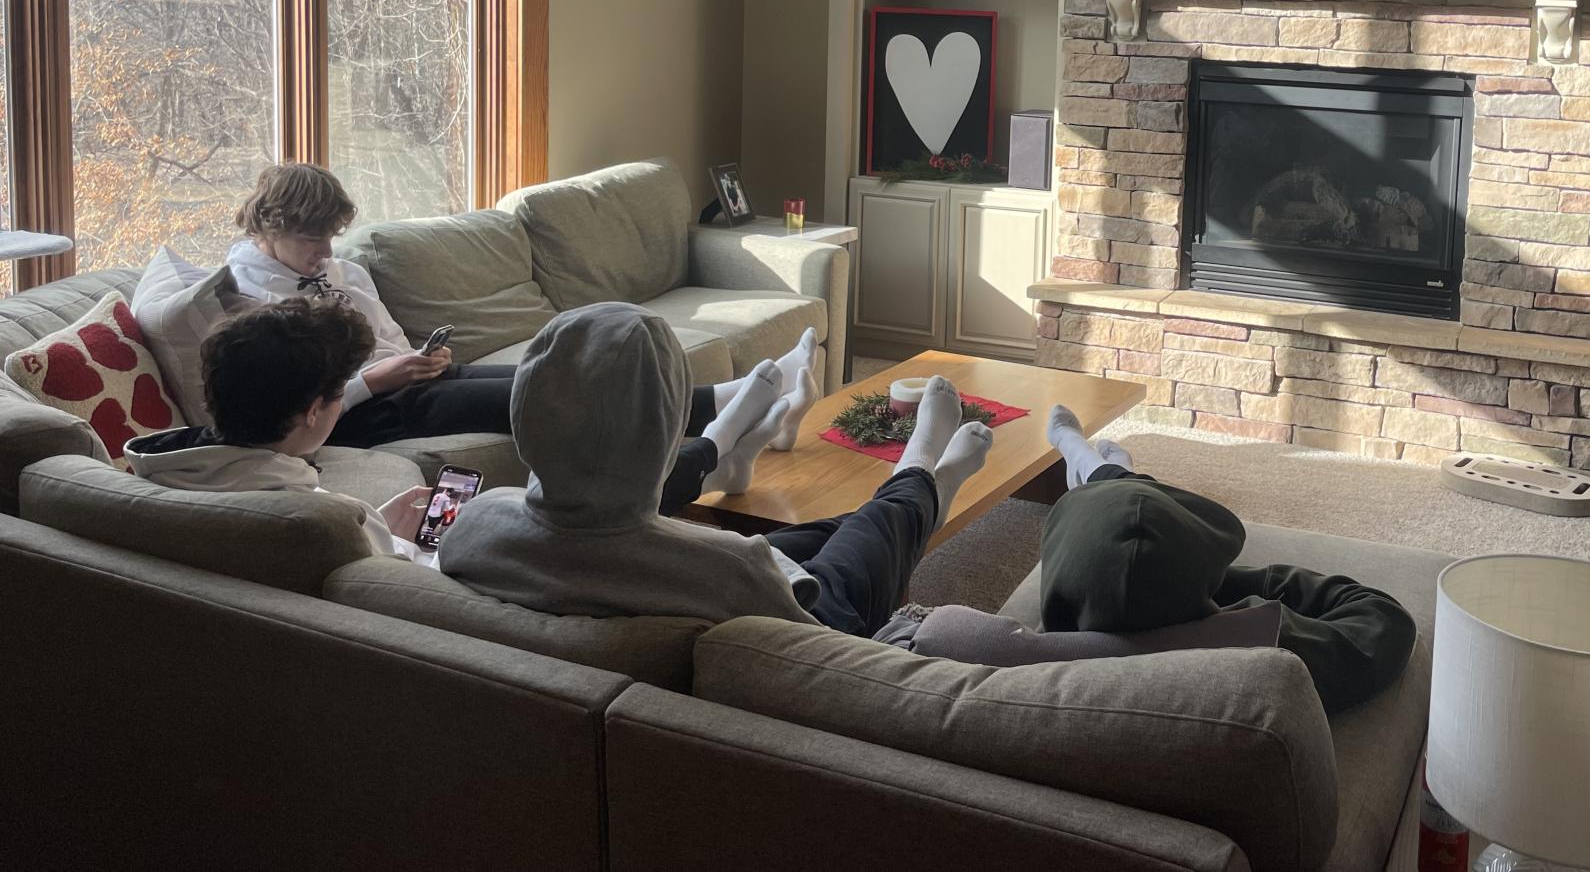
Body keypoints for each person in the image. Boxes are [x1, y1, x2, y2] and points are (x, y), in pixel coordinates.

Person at [223, 162, 813, 509]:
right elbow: (300, 402)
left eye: (331, 238)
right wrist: (383, 377)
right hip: (360, 412)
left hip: (408, 382)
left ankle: (724, 407)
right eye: (312, 242)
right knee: (555, 399)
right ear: (269, 228)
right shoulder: (251, 300)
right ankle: (722, 429)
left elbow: (388, 335)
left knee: (552, 375)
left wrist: (421, 359)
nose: (326, 253)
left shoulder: (342, 270)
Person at [440, 302, 994, 638]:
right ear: (666, 439)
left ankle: (898, 501)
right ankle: (921, 473)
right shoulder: (733, 571)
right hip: (822, 612)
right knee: (858, 554)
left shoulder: (475, 523)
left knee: (831, 530)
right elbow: (829, 638)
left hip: (627, 563)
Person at [1032, 406, 1416, 723]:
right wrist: (1223, 585)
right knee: (1139, 517)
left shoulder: (1029, 661)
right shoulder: (1256, 648)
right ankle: (1109, 474)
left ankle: (1095, 470)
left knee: (1119, 524)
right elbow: (1386, 620)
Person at [126, 297, 433, 560]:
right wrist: (398, 542)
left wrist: (374, 522)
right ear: (313, 411)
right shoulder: (322, 522)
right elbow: (391, 585)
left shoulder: (151, 473)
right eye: (341, 392)